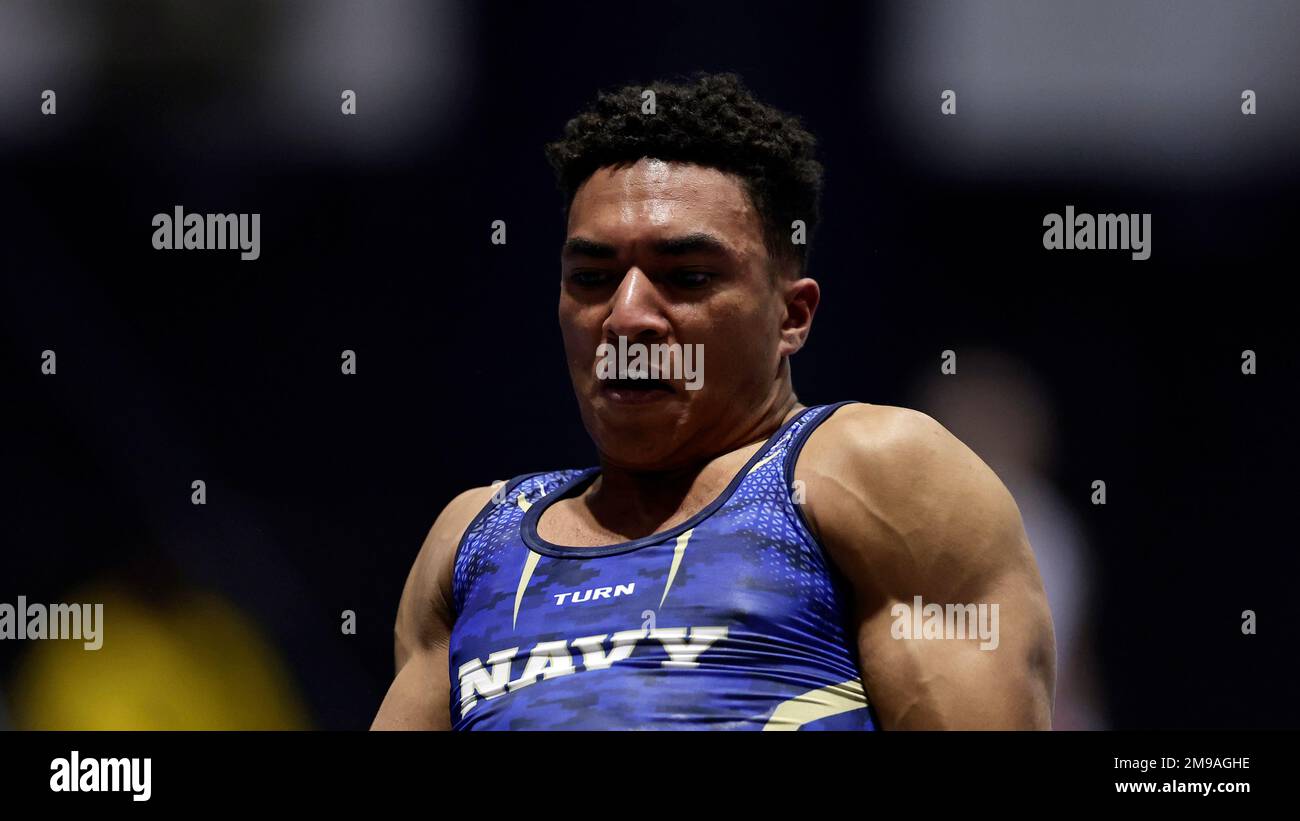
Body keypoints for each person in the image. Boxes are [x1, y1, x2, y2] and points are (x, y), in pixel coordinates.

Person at [372, 72, 1055, 730]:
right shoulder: (473, 541)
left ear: (792, 316)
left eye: (687, 276)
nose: (626, 314)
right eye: (591, 276)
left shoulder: (875, 471)